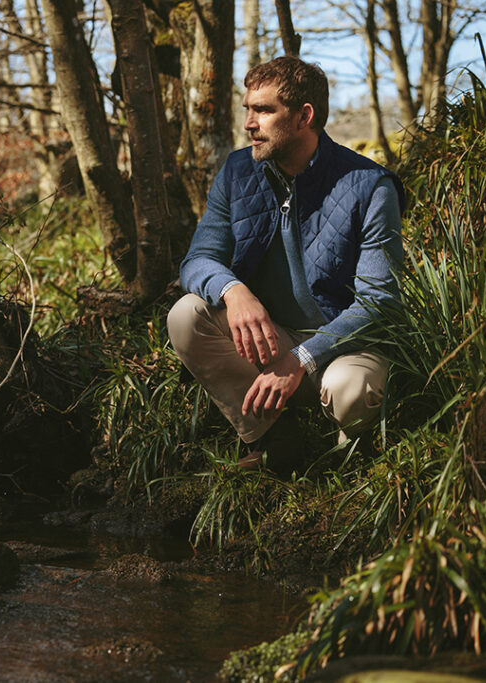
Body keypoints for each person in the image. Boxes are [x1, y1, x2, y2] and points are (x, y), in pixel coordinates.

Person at [167, 56, 404, 475]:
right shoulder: (238, 172)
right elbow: (198, 259)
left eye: (263, 110)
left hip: (346, 350)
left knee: (350, 389)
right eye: (248, 109)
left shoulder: (370, 186)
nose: (249, 123)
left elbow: (378, 301)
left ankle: (348, 464)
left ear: (303, 117)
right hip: (272, 340)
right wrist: (233, 292)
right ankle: (274, 440)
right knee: (187, 316)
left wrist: (300, 359)